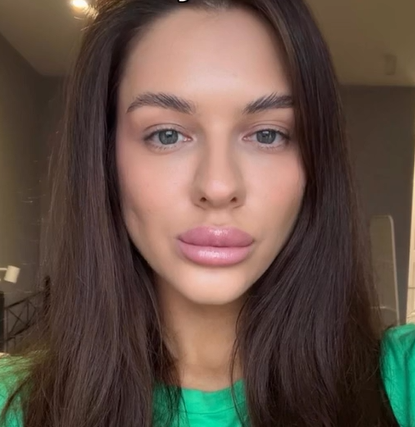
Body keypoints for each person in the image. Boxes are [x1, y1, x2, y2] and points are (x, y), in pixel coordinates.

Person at [0, 0, 414, 426]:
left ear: (315, 162)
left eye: (268, 135)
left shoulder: (403, 380)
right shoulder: (14, 406)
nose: (218, 187)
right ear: (105, 157)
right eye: (167, 135)